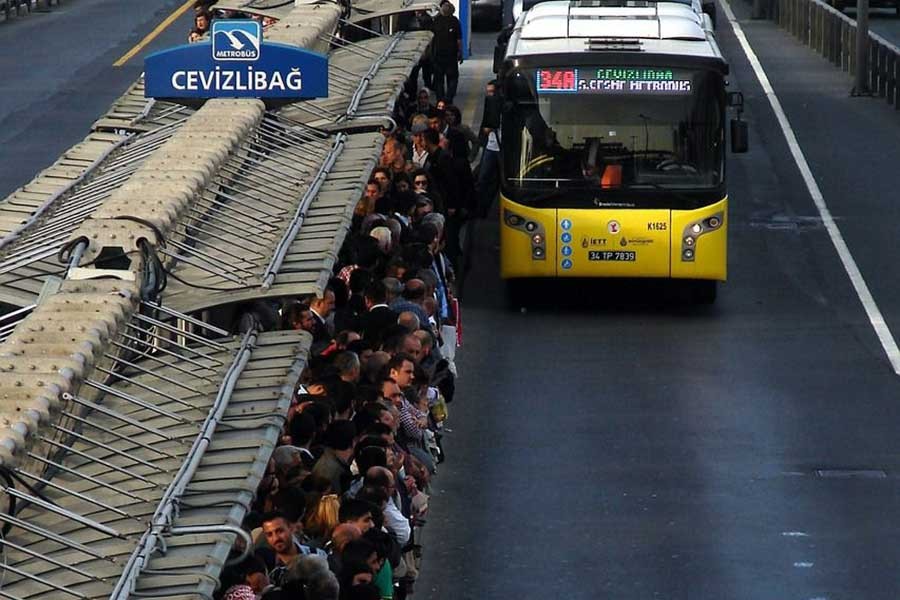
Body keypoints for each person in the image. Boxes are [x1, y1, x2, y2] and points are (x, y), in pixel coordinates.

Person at [477, 80, 502, 218]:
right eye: (488, 93)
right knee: (483, 179)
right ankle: (481, 209)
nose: (490, 96)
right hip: (491, 146)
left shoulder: (508, 107)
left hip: (504, 149)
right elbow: (485, 128)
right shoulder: (490, 107)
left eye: (492, 92)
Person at [430, 1, 463, 102]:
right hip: (450, 56)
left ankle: (440, 99)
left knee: (439, 80)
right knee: (452, 78)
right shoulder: (455, 21)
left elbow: (431, 39)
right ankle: (449, 98)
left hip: (439, 55)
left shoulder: (436, 21)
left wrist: (431, 53)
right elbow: (459, 39)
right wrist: (460, 53)